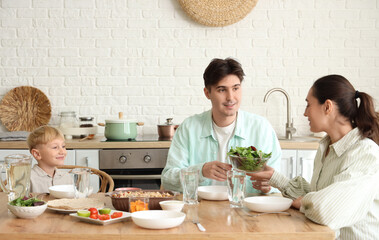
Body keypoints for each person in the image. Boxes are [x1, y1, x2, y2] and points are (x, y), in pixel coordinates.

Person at [249, 74, 379, 239]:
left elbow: (328, 209)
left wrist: (303, 202)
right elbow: (316, 195)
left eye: (308, 105)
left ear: (327, 107)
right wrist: (274, 177)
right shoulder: (326, 147)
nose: (305, 113)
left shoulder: (365, 154)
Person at [161, 58, 281, 194]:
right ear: (207, 93)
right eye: (222, 90)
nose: (231, 97)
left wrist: (269, 186)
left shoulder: (261, 128)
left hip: (246, 212)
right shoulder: (189, 128)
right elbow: (167, 180)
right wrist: (201, 171)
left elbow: (278, 183)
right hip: (201, 210)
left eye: (235, 88)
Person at [27, 125, 73, 193]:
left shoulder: (66, 178)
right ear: (37, 154)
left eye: (63, 146)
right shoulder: (28, 178)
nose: (62, 151)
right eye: (55, 147)